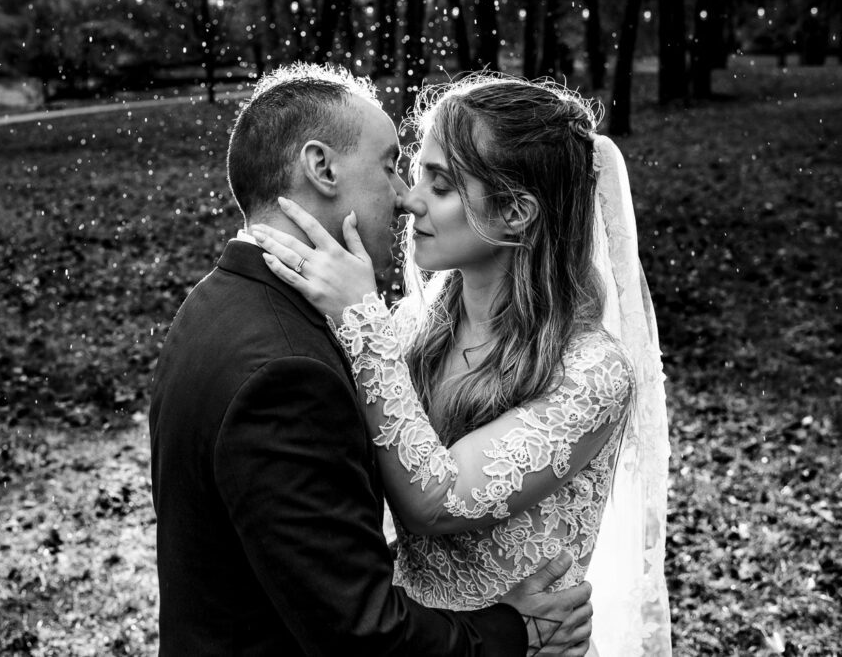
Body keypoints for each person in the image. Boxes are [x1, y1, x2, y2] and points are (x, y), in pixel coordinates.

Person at [149, 63, 595, 656]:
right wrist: (514, 632)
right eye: (392, 166)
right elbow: (363, 633)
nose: (405, 198)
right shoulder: (291, 369)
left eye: (437, 183)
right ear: (322, 167)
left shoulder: (213, 305)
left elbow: (306, 543)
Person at [253, 73, 673, 656]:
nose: (409, 199)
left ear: (517, 212)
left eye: (442, 184)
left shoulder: (591, 373)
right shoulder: (408, 333)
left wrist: (359, 319)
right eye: (415, 171)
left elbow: (437, 502)